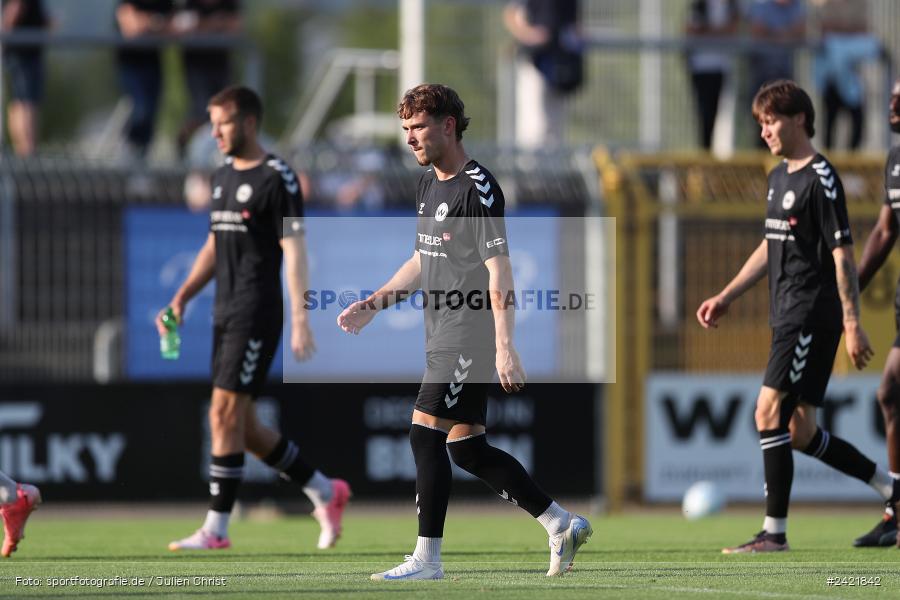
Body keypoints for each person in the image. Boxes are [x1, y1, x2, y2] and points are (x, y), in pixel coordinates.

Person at [338, 83, 591, 580]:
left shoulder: (478, 187)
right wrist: (374, 304)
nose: (410, 138)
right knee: (466, 447)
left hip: (467, 332)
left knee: (423, 435)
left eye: (418, 127)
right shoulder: (428, 184)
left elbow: (500, 269)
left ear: (448, 125)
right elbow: (420, 260)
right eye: (405, 128)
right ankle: (560, 523)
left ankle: (427, 560)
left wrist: (504, 345)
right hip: (440, 331)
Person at [696, 79, 900, 553]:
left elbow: (843, 254)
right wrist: (727, 295)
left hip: (809, 315)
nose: (764, 132)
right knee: (799, 431)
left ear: (800, 119)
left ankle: (774, 533)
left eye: (771, 121)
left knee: (766, 411)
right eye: (761, 124)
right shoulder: (778, 177)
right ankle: (892, 488)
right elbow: (770, 246)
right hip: (787, 313)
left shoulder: (821, 178)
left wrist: (852, 323)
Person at [158, 86, 350, 551]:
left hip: (256, 311)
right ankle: (326, 491)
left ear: (247, 122)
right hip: (224, 311)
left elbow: (295, 249)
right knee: (242, 427)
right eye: (211, 124)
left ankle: (216, 529)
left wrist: (301, 317)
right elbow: (214, 243)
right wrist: (181, 297)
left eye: (222, 123)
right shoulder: (222, 175)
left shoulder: (278, 178)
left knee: (221, 412)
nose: (214, 133)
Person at [853, 78, 900, 548]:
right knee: (890, 395)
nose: (893, 103)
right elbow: (886, 231)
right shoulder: (895, 159)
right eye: (892, 95)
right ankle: (896, 512)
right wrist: (850, 290)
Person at [503, 0, 581, 149]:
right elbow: (511, 13)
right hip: (535, 62)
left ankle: (553, 164)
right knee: (535, 127)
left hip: (560, 64)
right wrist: (529, 35)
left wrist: (575, 37)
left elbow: (574, 23)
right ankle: (532, 164)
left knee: (555, 128)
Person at [172, 0, 241, 157]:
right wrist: (215, 24)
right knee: (202, 111)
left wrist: (202, 25)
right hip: (196, 66)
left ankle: (216, 154)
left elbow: (236, 26)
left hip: (221, 65)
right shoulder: (189, 4)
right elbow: (181, 27)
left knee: (225, 111)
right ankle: (184, 145)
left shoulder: (229, 3)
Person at [812, 0, 879, 150]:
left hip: (853, 77)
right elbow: (824, 29)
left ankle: (853, 158)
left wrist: (840, 33)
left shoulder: (860, 4)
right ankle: (829, 158)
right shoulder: (825, 4)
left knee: (857, 121)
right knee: (830, 120)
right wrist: (847, 33)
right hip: (831, 78)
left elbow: (863, 29)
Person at [116, 0, 174, 157]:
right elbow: (130, 28)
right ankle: (129, 149)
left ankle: (141, 157)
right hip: (131, 63)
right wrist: (157, 23)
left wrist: (148, 22)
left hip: (153, 62)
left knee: (151, 112)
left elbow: (174, 27)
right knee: (140, 110)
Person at [746, 0, 806, 149]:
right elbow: (757, 30)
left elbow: (800, 30)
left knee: (785, 121)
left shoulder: (797, 5)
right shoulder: (761, 5)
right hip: (762, 74)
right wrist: (783, 35)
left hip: (785, 75)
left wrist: (773, 34)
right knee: (762, 121)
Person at [684, 0, 740, 150]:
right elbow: (690, 31)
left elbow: (733, 30)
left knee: (718, 111)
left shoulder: (731, 6)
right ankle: (705, 150)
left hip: (721, 67)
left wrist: (707, 32)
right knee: (704, 113)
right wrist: (719, 33)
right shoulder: (699, 6)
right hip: (700, 68)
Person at [1, 0, 49, 157]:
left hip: (21, 53)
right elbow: (14, 9)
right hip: (24, 55)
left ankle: (23, 153)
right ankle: (27, 153)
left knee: (19, 103)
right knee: (26, 104)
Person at [0, 472, 40, 558]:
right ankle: (12, 492)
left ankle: (12, 495)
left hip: (15, 501)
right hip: (21, 491)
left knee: (5, 552)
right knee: (5, 551)